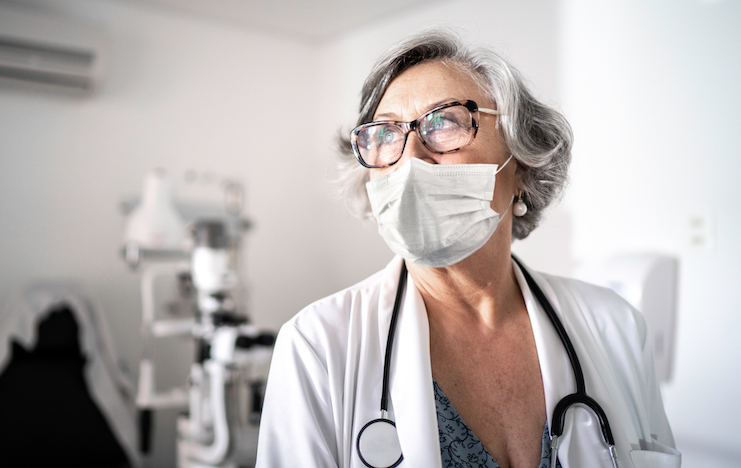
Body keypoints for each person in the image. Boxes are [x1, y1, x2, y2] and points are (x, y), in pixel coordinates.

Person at [256, 30, 680, 468]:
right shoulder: (317, 346)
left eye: (444, 122)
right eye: (385, 134)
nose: (410, 157)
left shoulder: (617, 328)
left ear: (521, 167)